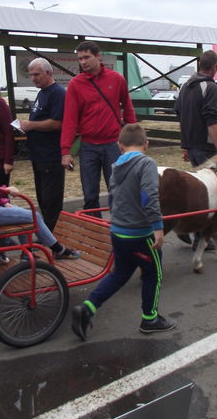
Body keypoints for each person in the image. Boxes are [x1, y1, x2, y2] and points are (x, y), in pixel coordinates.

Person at [71, 124, 174, 340]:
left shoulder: (116, 164)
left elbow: (114, 197)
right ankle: (150, 318)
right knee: (153, 274)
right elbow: (148, 196)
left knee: (119, 274)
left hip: (118, 231)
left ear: (119, 145)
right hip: (140, 233)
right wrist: (157, 227)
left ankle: (88, 308)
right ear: (146, 144)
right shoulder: (146, 163)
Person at [0, 123, 80, 261]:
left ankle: (26, 254)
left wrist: (3, 201)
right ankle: (58, 249)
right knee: (33, 216)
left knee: (24, 215)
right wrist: (4, 191)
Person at [60, 41, 137, 211]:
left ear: (98, 56)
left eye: (87, 57)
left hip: (113, 145)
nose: (83, 62)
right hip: (88, 146)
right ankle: (94, 232)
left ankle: (118, 231)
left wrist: (134, 144)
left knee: (118, 191)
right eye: (80, 58)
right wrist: (66, 151)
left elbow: (129, 109)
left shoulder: (116, 79)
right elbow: (70, 119)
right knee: (90, 195)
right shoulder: (75, 84)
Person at [174, 50, 217, 250]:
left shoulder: (186, 86)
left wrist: (186, 145)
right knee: (210, 195)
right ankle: (201, 237)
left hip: (193, 146)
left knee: (198, 192)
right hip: (206, 148)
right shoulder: (210, 87)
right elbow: (212, 122)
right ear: (214, 68)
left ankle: (190, 230)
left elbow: (180, 115)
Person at [19, 58, 66, 231]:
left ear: (48, 72)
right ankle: (48, 235)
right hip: (38, 155)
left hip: (51, 155)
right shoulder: (41, 92)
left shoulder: (57, 93)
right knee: (42, 199)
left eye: (36, 74)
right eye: (31, 75)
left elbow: (58, 123)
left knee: (51, 201)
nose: (33, 78)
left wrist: (31, 125)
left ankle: (54, 239)